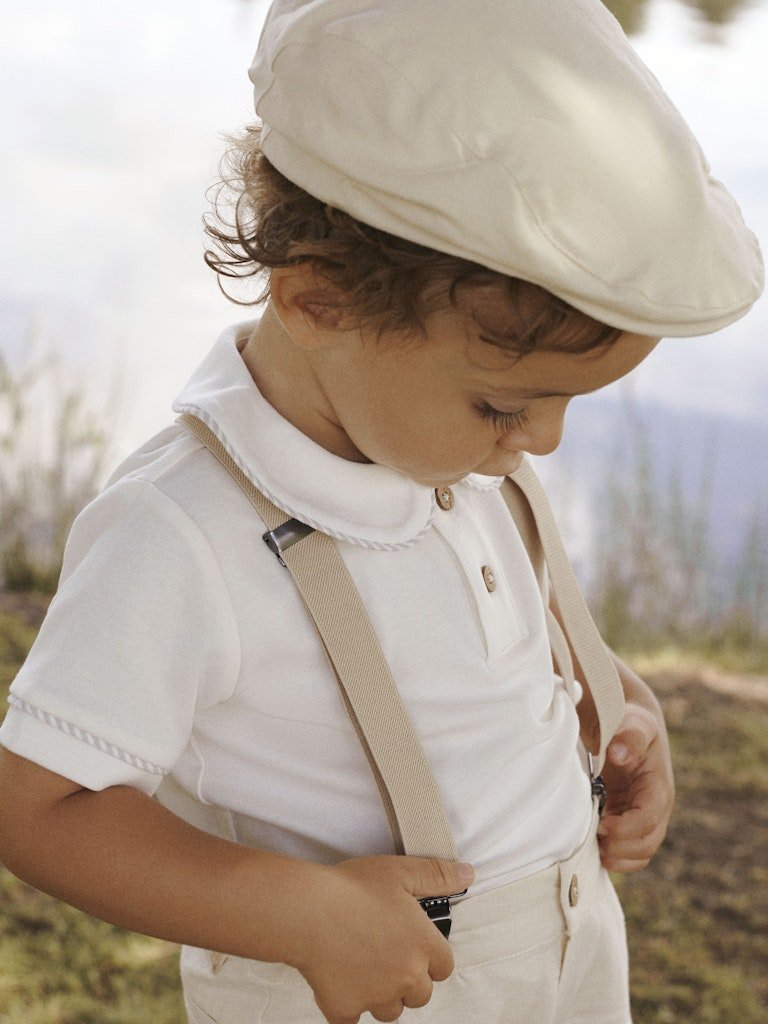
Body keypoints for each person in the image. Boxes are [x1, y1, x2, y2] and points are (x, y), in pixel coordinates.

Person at [0, 1, 762, 1022]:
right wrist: (297, 913)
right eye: (506, 405)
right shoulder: (179, 532)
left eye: (563, 403)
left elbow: (468, 653)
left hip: (573, 959)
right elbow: (38, 805)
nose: (543, 441)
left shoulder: (443, 448)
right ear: (318, 301)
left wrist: (609, 700)